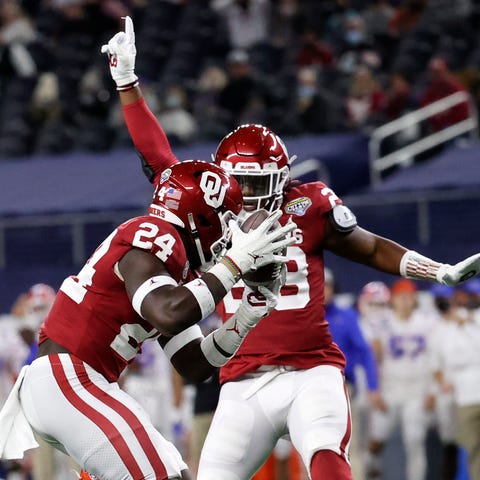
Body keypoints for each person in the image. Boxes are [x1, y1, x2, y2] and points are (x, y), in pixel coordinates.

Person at [104, 16, 480, 480]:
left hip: (311, 370)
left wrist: (436, 271)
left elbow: (370, 249)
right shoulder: (209, 207)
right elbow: (158, 154)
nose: (250, 194)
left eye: (259, 183)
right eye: (241, 182)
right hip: (241, 379)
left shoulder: (309, 203)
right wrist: (126, 83)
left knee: (325, 457)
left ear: (283, 179)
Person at [0, 65, 297, 480]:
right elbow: (169, 311)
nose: (228, 235)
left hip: (79, 383)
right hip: (69, 379)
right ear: (200, 219)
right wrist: (234, 266)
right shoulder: (153, 235)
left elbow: (195, 364)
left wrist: (246, 316)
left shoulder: (167, 262)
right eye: (223, 221)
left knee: (175, 473)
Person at [365, 279, 437, 480]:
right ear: (393, 300)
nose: (405, 301)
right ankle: (372, 465)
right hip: (389, 390)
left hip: (417, 391)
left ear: (415, 299)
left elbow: (435, 357)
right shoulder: (382, 323)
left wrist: (432, 391)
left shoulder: (427, 322)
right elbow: (374, 359)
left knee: (415, 441)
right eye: (401, 297)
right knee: (377, 439)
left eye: (409, 297)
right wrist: (375, 390)